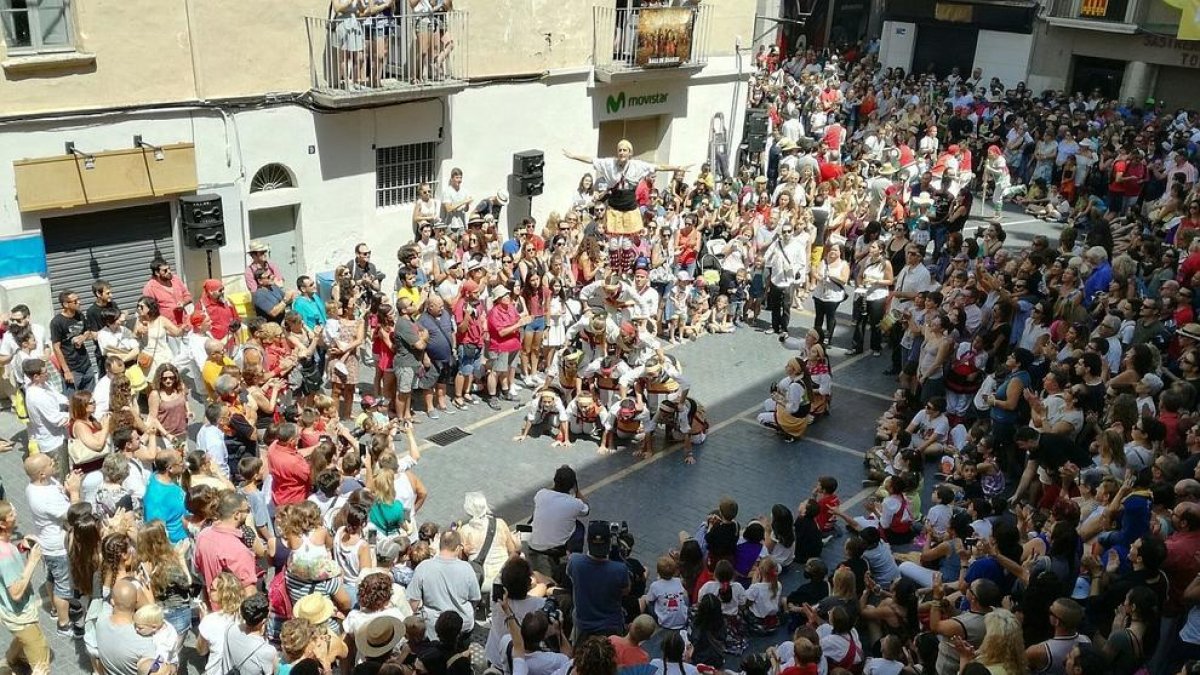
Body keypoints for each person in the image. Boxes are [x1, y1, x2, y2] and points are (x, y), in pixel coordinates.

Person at [23, 453, 80, 638]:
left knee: (52, 578)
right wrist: (74, 492)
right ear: (41, 474)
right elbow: (73, 514)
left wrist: (66, 487)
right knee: (63, 587)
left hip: (47, 543)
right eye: (50, 463)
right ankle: (64, 624)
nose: (54, 463)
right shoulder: (44, 496)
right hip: (58, 548)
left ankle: (56, 609)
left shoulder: (37, 486)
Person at [0, 500, 50, 675]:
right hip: (19, 614)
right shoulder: (4, 556)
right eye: (12, 514)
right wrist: (33, 560)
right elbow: (15, 593)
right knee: (41, 651)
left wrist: (21, 547)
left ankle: (9, 661)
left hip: (8, 611)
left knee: (23, 638)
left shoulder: (4, 544)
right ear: (2, 523)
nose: (16, 514)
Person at [406, 529, 480, 638]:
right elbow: (475, 598)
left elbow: (413, 602)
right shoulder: (467, 568)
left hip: (433, 627)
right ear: (458, 548)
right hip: (462, 625)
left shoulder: (423, 567)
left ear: (440, 545)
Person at [567, 520, 631, 640]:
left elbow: (571, 575)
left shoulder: (575, 561)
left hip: (583, 625)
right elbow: (626, 590)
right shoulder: (619, 569)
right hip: (611, 626)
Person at [527, 465, 589, 577]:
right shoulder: (575, 503)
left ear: (554, 481)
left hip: (534, 545)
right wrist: (577, 490)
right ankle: (573, 558)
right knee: (579, 526)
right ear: (572, 485)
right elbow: (586, 510)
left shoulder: (541, 494)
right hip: (556, 548)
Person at [50, 289, 95, 394]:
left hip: (86, 364)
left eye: (79, 299)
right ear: (65, 304)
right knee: (73, 400)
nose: (79, 302)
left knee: (89, 396)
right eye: (75, 301)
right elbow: (56, 347)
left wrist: (83, 337)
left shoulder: (79, 315)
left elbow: (88, 331)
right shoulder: (56, 322)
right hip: (72, 368)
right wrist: (66, 371)